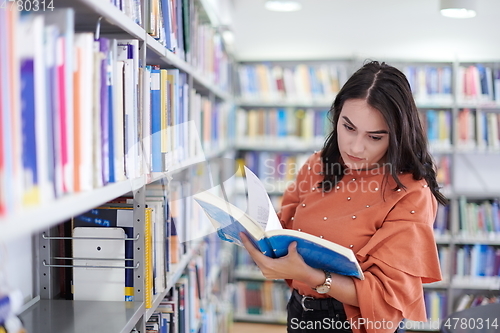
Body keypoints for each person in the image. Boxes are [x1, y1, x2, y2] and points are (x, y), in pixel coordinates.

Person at [240, 60, 447, 333]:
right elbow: (284, 229)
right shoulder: (317, 165)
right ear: (337, 117)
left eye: (374, 137)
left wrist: (309, 276)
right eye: (348, 127)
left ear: (397, 136)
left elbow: (386, 296)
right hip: (299, 312)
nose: (355, 147)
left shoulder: (411, 193)